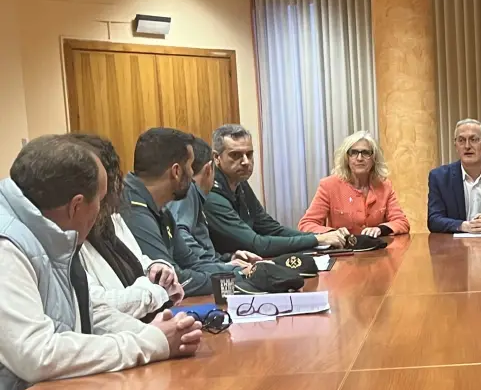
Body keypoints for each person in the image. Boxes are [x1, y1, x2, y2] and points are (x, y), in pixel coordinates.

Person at [0, 135, 202, 390]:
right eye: (101, 200)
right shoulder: (7, 246)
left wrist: (155, 334)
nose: (104, 211)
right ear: (76, 206)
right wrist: (149, 344)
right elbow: (36, 355)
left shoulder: (50, 233)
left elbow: (88, 310)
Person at [122, 128, 240, 297]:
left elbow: (192, 263)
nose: (192, 174)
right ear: (176, 171)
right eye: (190, 166)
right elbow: (173, 281)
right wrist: (235, 281)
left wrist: (242, 273)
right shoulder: (131, 210)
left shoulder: (160, 208)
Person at [77, 134, 184, 320]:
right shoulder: (69, 236)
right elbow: (96, 307)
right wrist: (157, 292)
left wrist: (157, 268)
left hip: (144, 324)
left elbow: (137, 259)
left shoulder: (110, 217)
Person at [204, 124, 349, 255]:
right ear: (216, 158)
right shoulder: (211, 195)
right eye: (235, 155)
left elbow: (272, 229)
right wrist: (317, 240)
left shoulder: (240, 184)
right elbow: (257, 245)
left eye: (249, 154)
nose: (246, 162)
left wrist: (321, 237)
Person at [169, 137, 259, 272]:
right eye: (235, 155)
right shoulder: (188, 191)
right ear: (209, 169)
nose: (245, 161)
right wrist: (223, 268)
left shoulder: (196, 195)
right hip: (203, 275)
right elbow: (181, 236)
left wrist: (228, 259)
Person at [299, 131, 410, 237]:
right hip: (343, 248)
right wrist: (333, 233)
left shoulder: (384, 186)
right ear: (347, 158)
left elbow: (402, 222)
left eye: (366, 153)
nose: (359, 158)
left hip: (377, 248)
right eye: (354, 153)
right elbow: (306, 224)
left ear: (374, 158)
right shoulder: (329, 186)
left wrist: (381, 229)